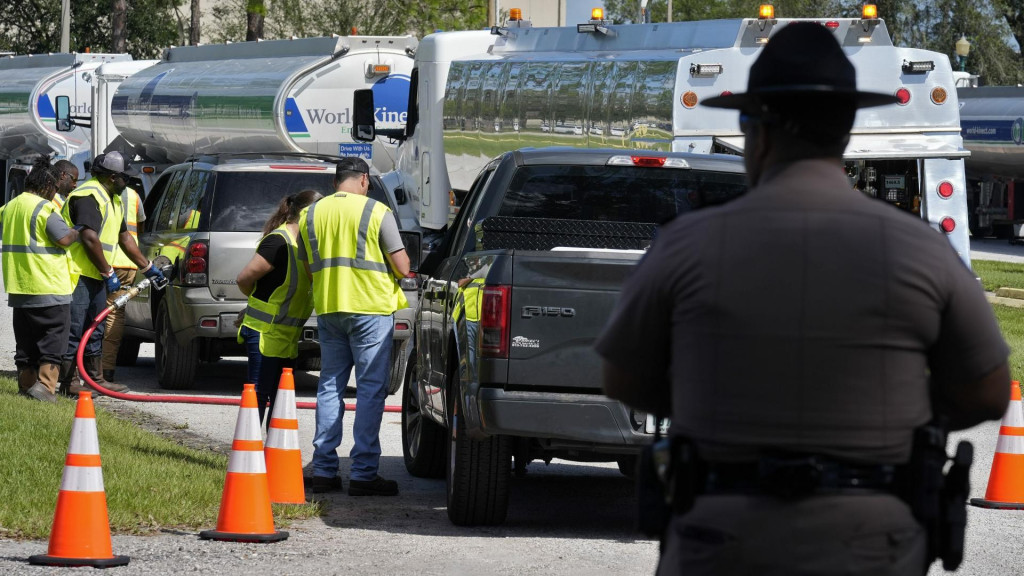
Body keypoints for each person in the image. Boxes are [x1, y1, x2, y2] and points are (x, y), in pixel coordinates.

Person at [596, 23, 1011, 576]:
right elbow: (987, 392)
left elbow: (622, 378)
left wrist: (712, 398)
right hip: (870, 544)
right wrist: (900, 412)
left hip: (722, 540)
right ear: (843, 134)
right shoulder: (922, 252)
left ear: (758, 132)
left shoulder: (686, 246)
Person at [299, 157, 410, 495]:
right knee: (370, 390)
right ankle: (362, 474)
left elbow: (307, 267)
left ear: (336, 182)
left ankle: (324, 471)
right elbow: (403, 267)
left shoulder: (310, 214)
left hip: (330, 308)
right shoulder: (377, 212)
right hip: (371, 309)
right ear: (363, 180)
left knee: (330, 386)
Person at [59, 151, 167, 396]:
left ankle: (96, 379)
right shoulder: (88, 195)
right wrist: (108, 272)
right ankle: (69, 382)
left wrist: (147, 267)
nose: (128, 182)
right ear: (111, 177)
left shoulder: (113, 198)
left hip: (94, 275)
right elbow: (88, 237)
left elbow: (124, 237)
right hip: (77, 275)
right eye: (124, 178)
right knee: (75, 330)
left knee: (95, 329)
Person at [237, 189, 322, 426]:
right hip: (264, 333)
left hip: (286, 337)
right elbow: (244, 278)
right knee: (259, 394)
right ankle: (248, 457)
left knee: (280, 399)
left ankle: (270, 456)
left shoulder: (304, 246)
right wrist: (253, 302)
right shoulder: (278, 241)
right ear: (306, 214)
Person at [1, 157, 78, 402]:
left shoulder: (10, 206)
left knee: (26, 342)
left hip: (20, 287)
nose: (55, 192)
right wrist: (78, 230)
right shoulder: (44, 209)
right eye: (54, 188)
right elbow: (63, 238)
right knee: (53, 339)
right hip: (48, 286)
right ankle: (45, 388)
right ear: (46, 185)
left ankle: (26, 386)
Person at [101, 184, 146, 383]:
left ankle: (87, 368)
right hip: (128, 263)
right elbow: (141, 227)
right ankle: (107, 368)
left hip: (101, 260)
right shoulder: (134, 195)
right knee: (115, 314)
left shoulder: (96, 192)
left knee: (92, 313)